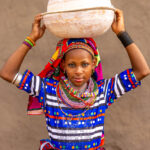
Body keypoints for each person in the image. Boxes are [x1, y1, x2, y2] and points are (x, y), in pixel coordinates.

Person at [0, 9, 149, 150]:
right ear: (63, 65)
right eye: (72, 65)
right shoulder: (48, 90)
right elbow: (8, 73)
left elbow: (142, 70)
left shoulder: (103, 92)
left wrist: (122, 33)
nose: (78, 71)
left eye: (84, 64)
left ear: (93, 65)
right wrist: (31, 39)